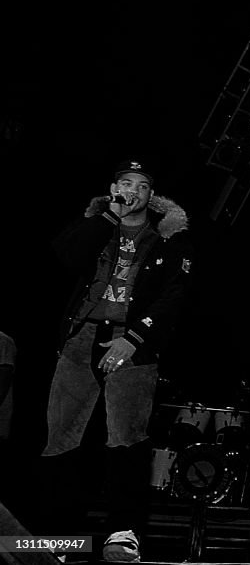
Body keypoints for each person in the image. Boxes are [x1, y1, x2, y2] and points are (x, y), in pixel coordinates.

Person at [40, 159, 194, 562]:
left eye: (141, 186)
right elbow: (64, 256)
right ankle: (59, 539)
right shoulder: (98, 224)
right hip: (82, 337)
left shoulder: (167, 239)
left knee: (125, 437)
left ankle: (122, 535)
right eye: (125, 183)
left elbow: (174, 296)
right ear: (113, 189)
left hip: (132, 342)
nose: (132, 191)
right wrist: (108, 216)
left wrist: (135, 338)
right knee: (61, 436)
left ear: (151, 196)